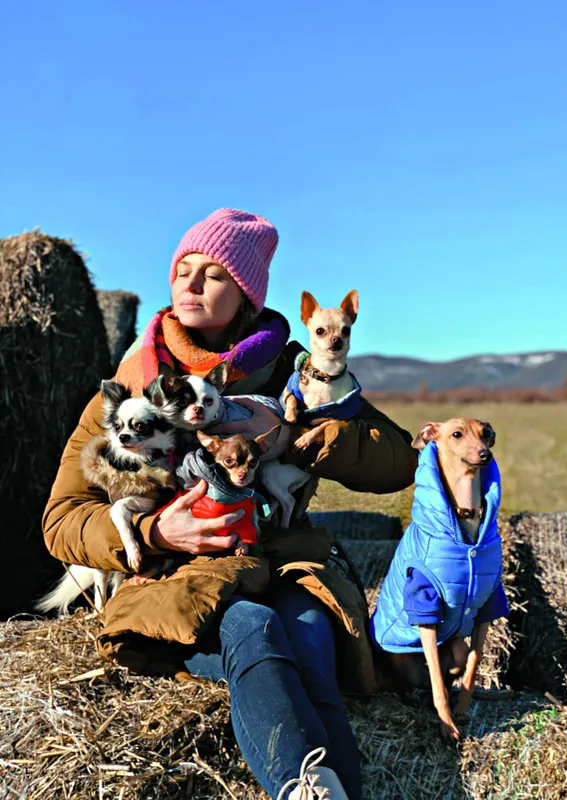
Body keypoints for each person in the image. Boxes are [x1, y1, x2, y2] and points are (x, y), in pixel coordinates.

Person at [42, 208, 418, 800]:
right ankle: (303, 789)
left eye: (213, 274)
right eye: (183, 269)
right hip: (176, 579)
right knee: (253, 626)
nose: (190, 284)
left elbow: (400, 461)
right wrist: (156, 534)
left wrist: (306, 433)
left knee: (312, 638)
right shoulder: (132, 384)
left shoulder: (299, 376)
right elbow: (62, 519)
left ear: (244, 293)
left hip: (285, 562)